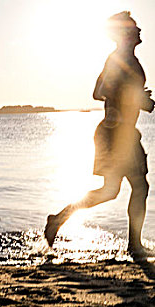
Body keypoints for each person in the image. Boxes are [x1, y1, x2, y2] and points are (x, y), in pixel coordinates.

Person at [44, 11, 155, 258]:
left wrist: (137, 99)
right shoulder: (117, 59)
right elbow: (102, 91)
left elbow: (102, 92)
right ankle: (134, 245)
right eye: (134, 28)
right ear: (125, 34)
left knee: (112, 191)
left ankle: (58, 219)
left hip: (120, 133)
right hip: (116, 134)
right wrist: (138, 99)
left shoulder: (124, 59)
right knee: (139, 187)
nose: (139, 31)